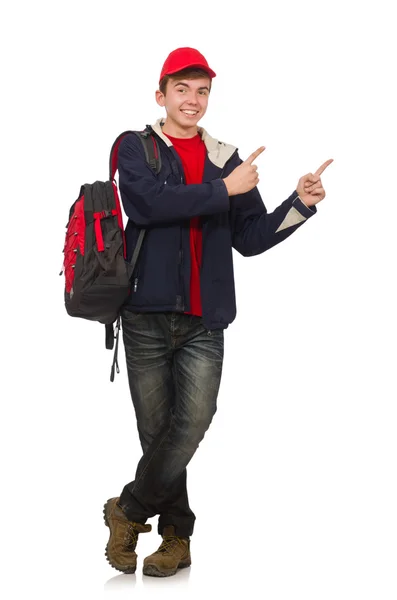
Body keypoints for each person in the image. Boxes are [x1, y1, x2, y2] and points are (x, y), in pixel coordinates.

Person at [103, 46, 333, 578]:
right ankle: (177, 539)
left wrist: (300, 204)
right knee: (157, 433)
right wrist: (221, 190)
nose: (193, 99)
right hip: (144, 313)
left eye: (202, 90)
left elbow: (250, 239)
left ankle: (129, 510)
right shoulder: (135, 147)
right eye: (182, 89)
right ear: (160, 96)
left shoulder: (227, 158)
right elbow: (147, 206)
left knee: (194, 421)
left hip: (206, 319)